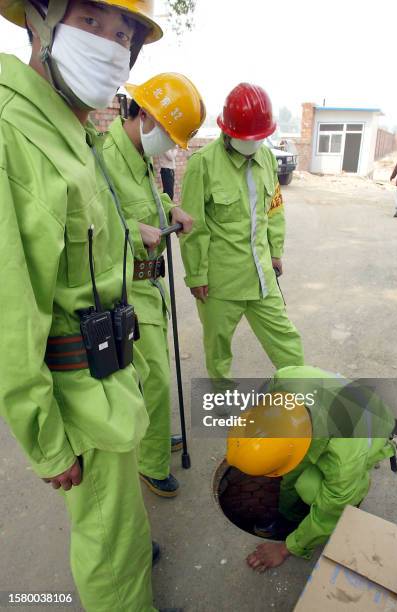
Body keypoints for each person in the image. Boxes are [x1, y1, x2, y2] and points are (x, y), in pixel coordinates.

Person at [0, 1, 180, 610]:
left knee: (120, 526)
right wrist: (47, 441)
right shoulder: (10, 130)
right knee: (107, 545)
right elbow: (9, 315)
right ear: (38, 19)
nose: (111, 45)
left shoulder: (70, 127)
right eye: (92, 23)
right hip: (77, 399)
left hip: (111, 379)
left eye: (125, 33)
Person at [103, 73, 205, 497]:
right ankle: (150, 462)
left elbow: (150, 199)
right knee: (156, 378)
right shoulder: (104, 158)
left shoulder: (139, 155)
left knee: (153, 374)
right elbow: (91, 220)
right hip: (124, 288)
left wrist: (172, 209)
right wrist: (132, 229)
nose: (166, 144)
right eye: (166, 132)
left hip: (151, 286)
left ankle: (156, 435)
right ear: (143, 113)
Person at [179, 83, 304, 384]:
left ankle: (302, 394)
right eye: (247, 137)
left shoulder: (268, 160)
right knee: (218, 351)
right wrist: (196, 275)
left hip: (262, 277)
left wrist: (275, 251)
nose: (253, 143)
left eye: (259, 137)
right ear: (228, 130)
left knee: (287, 342)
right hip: (221, 283)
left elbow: (274, 209)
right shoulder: (203, 165)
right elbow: (193, 228)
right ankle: (223, 401)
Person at [226, 365, 397, 572]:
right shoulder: (281, 382)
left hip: (371, 426)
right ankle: (290, 516)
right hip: (341, 408)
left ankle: (359, 489)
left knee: (309, 486)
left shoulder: (344, 459)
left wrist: (286, 548)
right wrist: (285, 515)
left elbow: (328, 513)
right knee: (294, 474)